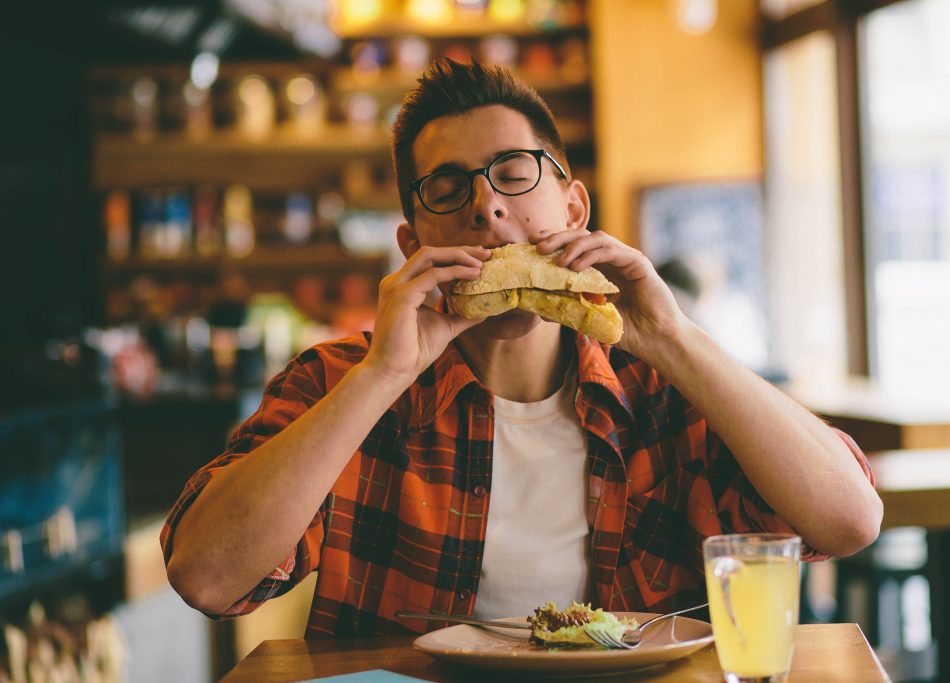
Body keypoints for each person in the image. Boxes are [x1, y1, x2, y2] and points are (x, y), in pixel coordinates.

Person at [162, 59, 882, 637]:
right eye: (447, 188)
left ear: (573, 208)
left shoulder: (662, 384)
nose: (487, 207)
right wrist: (381, 376)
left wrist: (676, 338)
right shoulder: (343, 380)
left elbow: (849, 520)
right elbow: (207, 577)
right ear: (413, 245)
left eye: (513, 173)